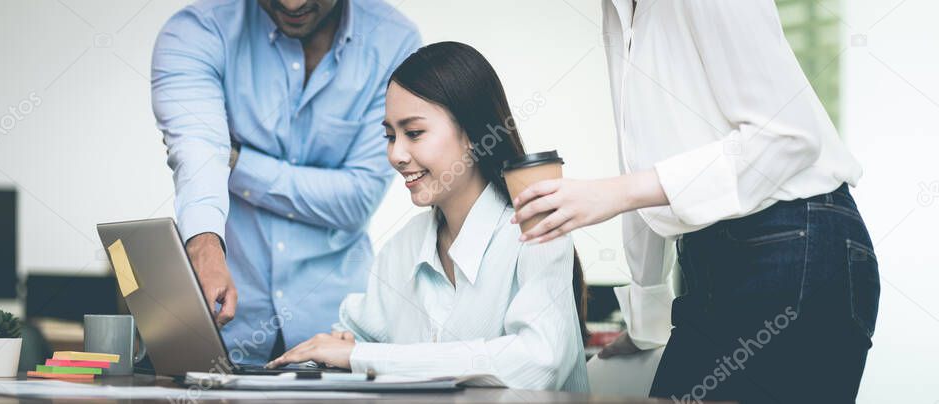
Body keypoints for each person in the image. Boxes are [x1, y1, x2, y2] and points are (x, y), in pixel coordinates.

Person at [511, 1, 879, 402]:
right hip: (710, 260)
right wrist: (644, 319)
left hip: (795, 242)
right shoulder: (617, 10)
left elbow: (789, 136)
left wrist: (614, 193)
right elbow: (644, 161)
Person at [265, 42, 590, 393]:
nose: (396, 154)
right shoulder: (400, 248)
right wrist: (345, 348)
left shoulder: (539, 228)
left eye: (414, 133)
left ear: (471, 134)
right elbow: (358, 338)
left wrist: (367, 356)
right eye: (389, 136)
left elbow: (538, 363)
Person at [150, 0, 420, 365]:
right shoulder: (198, 30)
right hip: (218, 334)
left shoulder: (393, 40)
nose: (292, 3)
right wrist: (205, 247)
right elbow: (197, 151)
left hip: (334, 335)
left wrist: (235, 159)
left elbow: (356, 199)